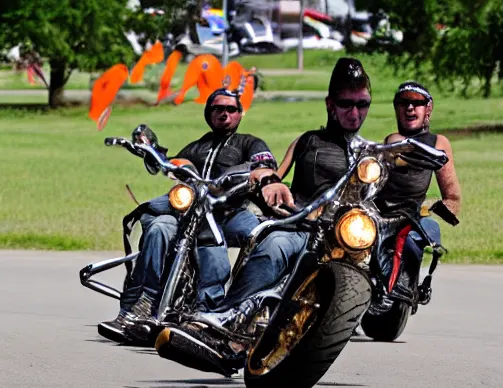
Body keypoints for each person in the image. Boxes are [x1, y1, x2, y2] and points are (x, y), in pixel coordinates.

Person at [185, 57, 373, 332]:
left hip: (344, 238)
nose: (354, 113)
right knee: (274, 248)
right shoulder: (309, 141)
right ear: (330, 104)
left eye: (362, 104)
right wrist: (268, 180)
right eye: (346, 104)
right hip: (299, 227)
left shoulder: (371, 154)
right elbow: (272, 172)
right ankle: (229, 316)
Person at [99, 88, 291, 343]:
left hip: (231, 212)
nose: (224, 114)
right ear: (208, 112)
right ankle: (142, 304)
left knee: (263, 236)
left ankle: (244, 309)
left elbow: (265, 164)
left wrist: (254, 174)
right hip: (192, 214)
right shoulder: (197, 146)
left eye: (231, 109)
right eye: (218, 109)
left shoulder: (249, 143)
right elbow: (175, 164)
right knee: (158, 226)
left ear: (240, 114)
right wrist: (154, 153)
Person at [372, 80, 462, 307]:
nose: (410, 108)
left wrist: (439, 207)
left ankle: (409, 284)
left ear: (428, 108)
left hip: (412, 215)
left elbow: (452, 196)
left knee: (420, 234)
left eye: (416, 103)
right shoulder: (394, 140)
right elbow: (396, 154)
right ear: (396, 108)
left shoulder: (439, 143)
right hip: (378, 211)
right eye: (403, 103)